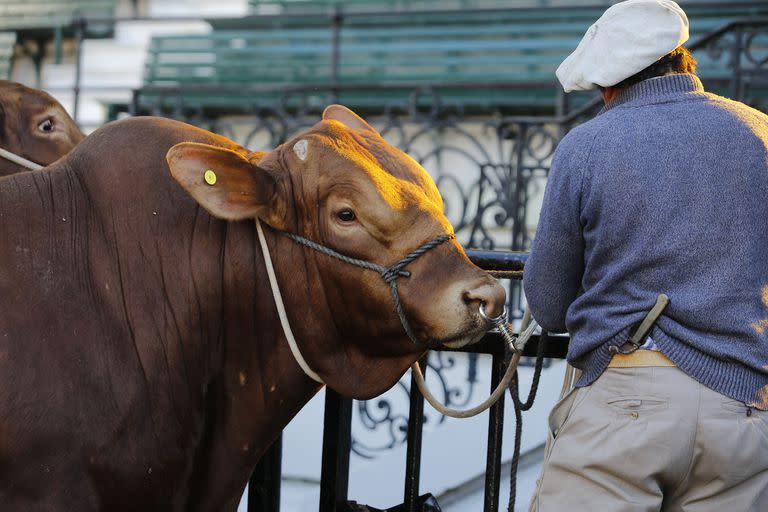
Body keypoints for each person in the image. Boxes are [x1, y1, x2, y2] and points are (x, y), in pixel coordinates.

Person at [523, 0, 768, 510]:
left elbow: (547, 303)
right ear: (685, 61)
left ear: (609, 84)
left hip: (626, 405)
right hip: (747, 411)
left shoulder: (587, 145)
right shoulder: (761, 132)